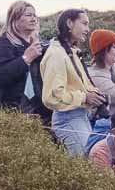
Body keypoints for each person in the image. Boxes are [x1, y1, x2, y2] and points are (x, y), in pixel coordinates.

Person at [41, 9, 107, 155]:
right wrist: (85, 97)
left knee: (92, 162)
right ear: (69, 23)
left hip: (80, 115)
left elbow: (77, 85)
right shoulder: (57, 54)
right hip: (68, 118)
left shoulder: (70, 52)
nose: (87, 29)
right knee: (87, 165)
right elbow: (52, 97)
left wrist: (94, 95)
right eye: (84, 23)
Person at [0, 0, 48, 122]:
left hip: (40, 113)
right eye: (28, 15)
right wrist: (25, 59)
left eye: (35, 15)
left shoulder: (38, 46)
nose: (33, 18)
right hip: (10, 114)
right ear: (14, 18)